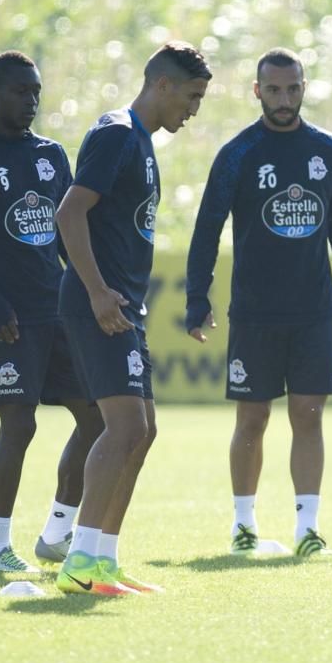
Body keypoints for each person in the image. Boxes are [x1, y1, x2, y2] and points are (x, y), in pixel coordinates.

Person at [186, 47, 332, 558]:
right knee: (252, 420)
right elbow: (207, 228)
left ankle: (307, 530)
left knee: (308, 416)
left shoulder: (330, 151)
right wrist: (196, 296)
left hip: (313, 310)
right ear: (257, 91)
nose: (284, 99)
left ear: (304, 88)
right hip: (254, 311)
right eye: (274, 90)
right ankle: (243, 524)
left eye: (292, 89)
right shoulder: (239, 153)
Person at [0, 51, 104, 575]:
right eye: (19, 91)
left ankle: (56, 534)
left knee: (97, 421)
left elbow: (67, 233)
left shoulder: (51, 155)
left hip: (57, 311)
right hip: (6, 317)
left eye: (36, 91)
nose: (30, 100)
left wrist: (85, 292)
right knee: (20, 425)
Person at [54, 41, 211, 595]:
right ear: (162, 85)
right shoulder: (117, 133)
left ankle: (102, 562)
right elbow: (69, 211)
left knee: (142, 431)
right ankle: (79, 560)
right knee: (123, 427)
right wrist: (97, 292)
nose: (194, 110)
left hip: (122, 306)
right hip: (101, 304)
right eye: (191, 97)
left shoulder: (139, 141)